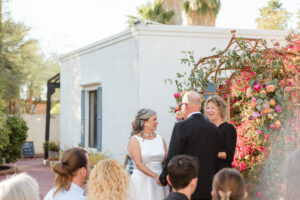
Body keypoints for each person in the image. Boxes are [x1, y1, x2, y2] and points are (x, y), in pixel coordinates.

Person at [160, 91, 220, 200]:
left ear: (186, 105)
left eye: (181, 105)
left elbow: (173, 155)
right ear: (200, 106)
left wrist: (163, 178)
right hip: (207, 186)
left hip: (185, 185)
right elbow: (215, 158)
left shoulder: (181, 127)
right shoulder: (213, 128)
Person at [127, 108, 168, 200]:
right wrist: (156, 176)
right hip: (142, 182)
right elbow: (138, 164)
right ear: (144, 122)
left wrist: (165, 176)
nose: (157, 122)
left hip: (160, 182)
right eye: (154, 119)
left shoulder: (160, 139)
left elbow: (168, 160)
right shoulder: (135, 140)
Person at [205, 95, 237, 171]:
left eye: (213, 108)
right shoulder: (205, 128)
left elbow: (229, 155)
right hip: (206, 172)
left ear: (220, 110)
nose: (209, 110)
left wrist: (210, 153)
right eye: (207, 108)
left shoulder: (228, 128)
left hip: (222, 172)